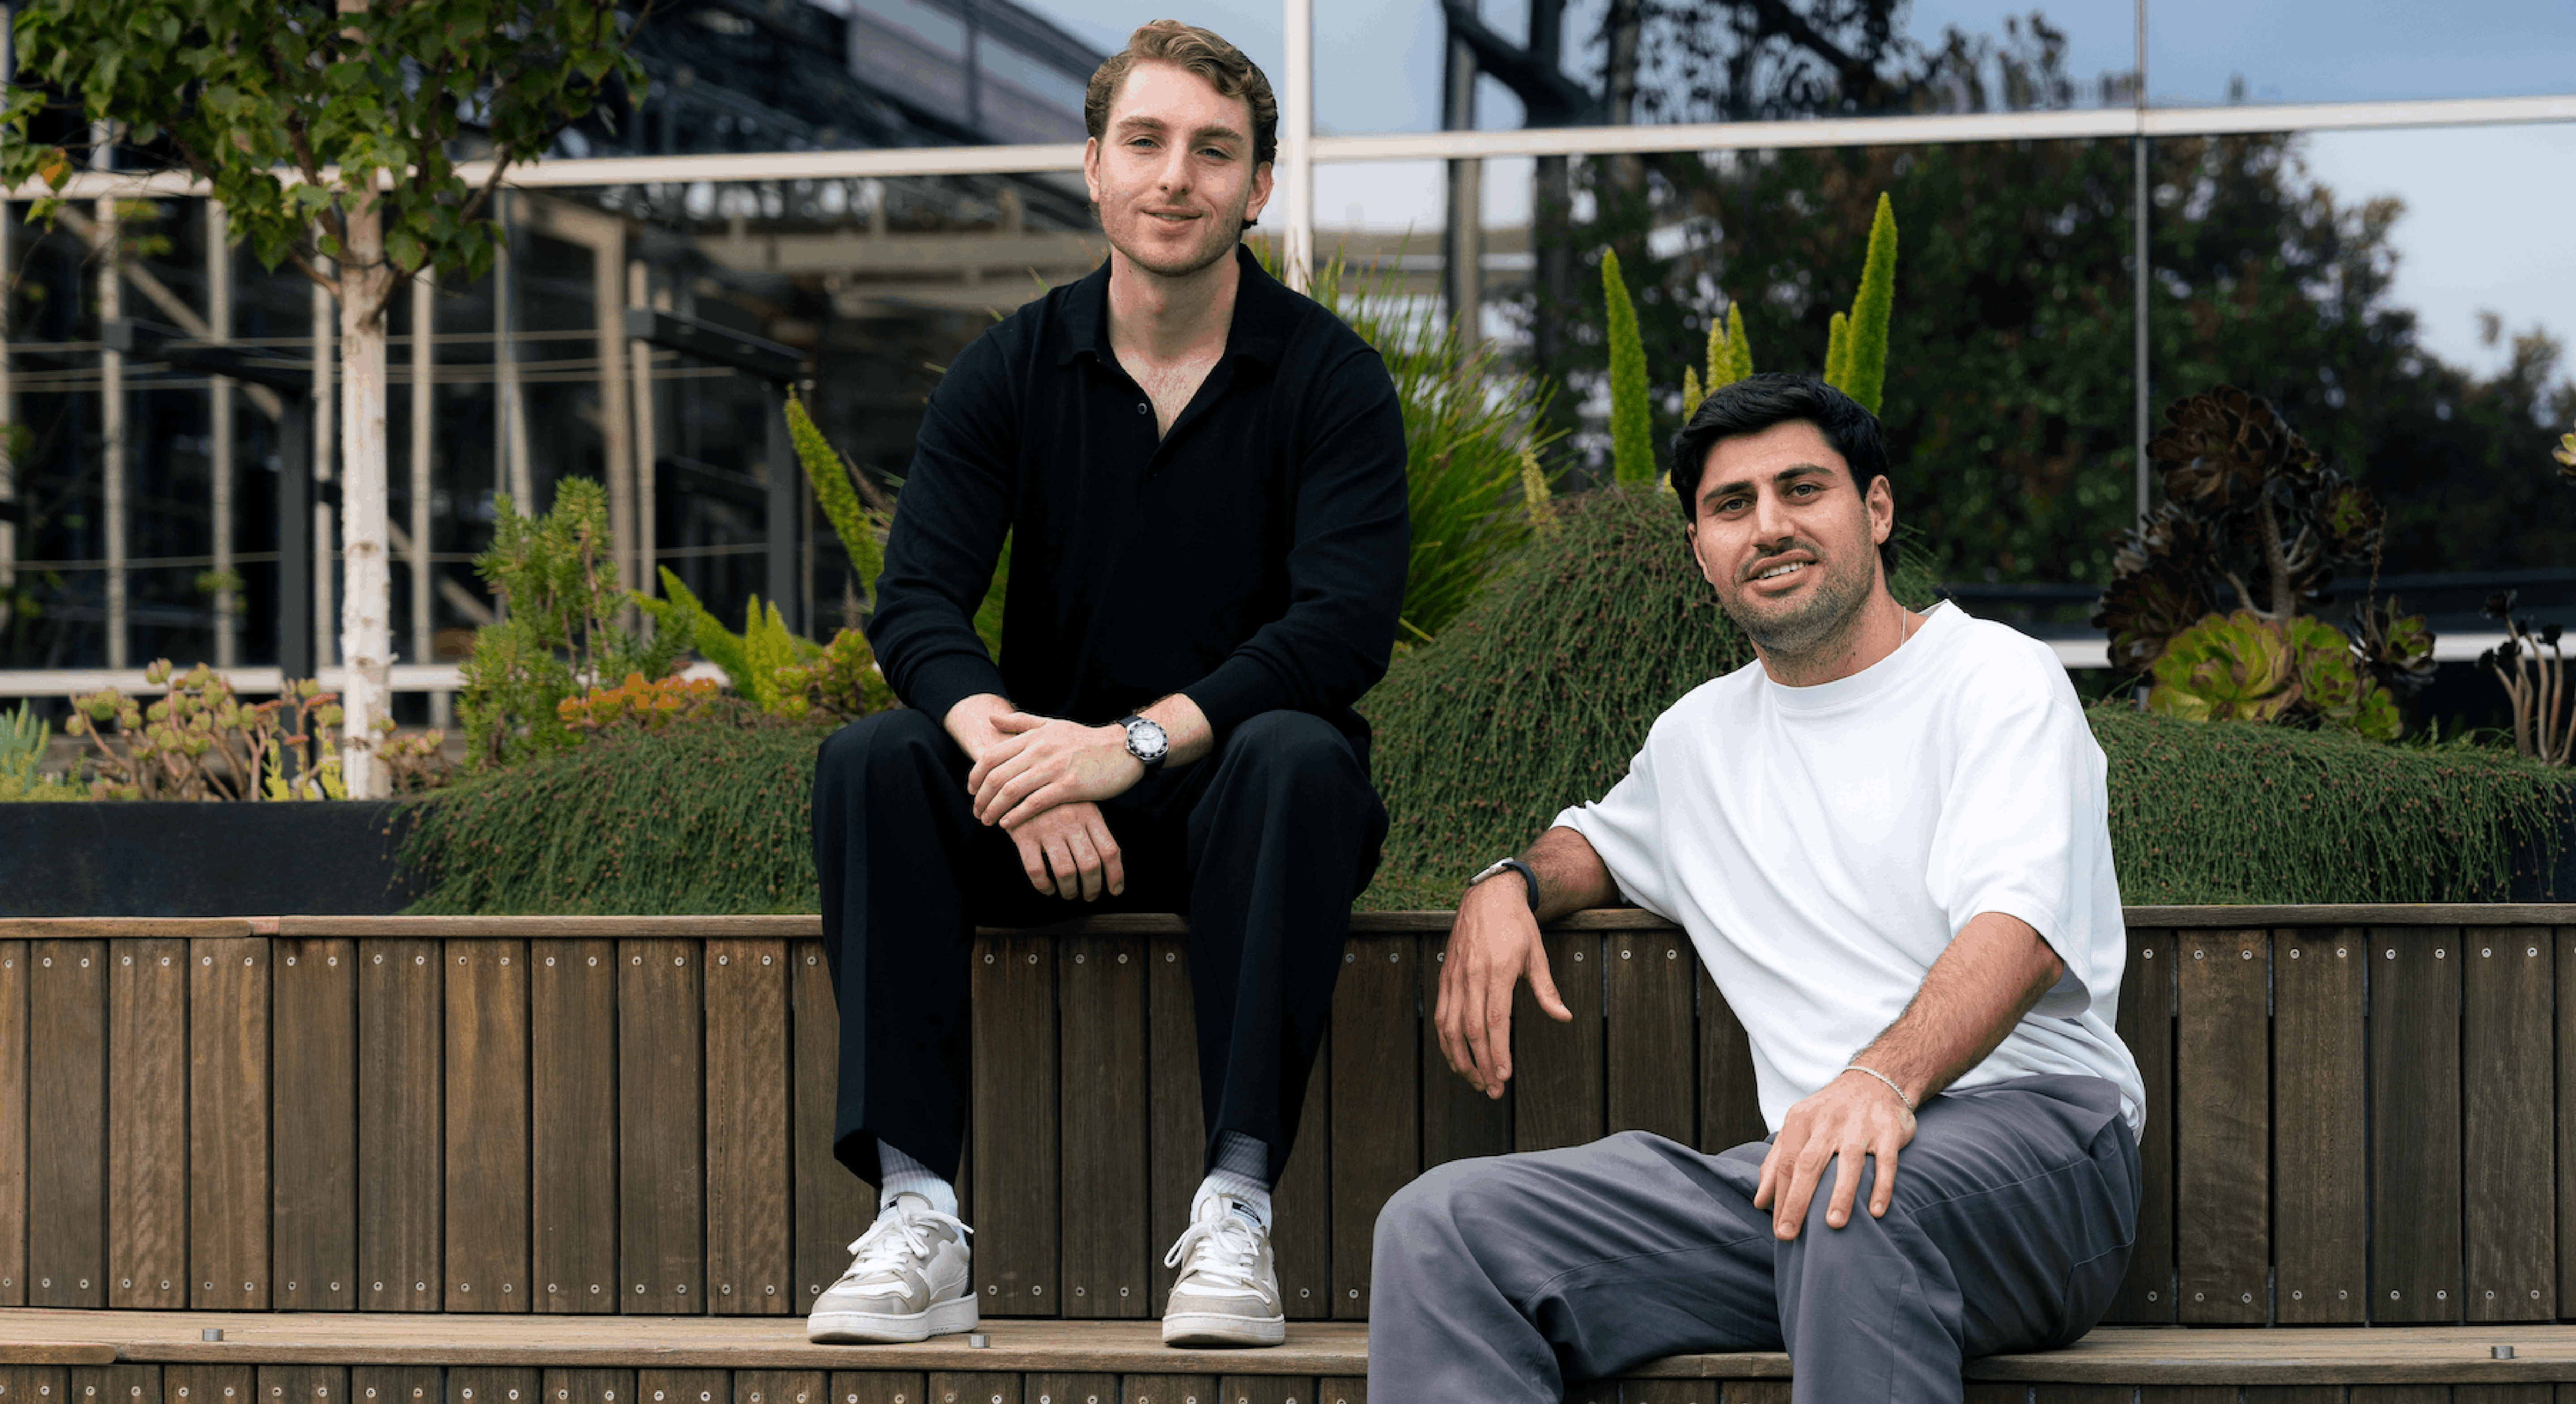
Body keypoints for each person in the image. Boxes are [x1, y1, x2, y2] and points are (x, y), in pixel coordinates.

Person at [804, 20, 1409, 1349]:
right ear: (1093, 166)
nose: (1174, 176)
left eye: (1214, 150)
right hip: (1046, 814)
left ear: (1258, 191)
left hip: (1238, 812)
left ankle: (1236, 1213)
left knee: (1303, 753)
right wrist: (1016, 766)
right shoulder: (1009, 369)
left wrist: (1128, 749)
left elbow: (1340, 627)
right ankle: (919, 1218)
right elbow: (914, 603)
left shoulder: (1331, 383)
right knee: (870, 761)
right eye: (1145, 142)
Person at [1367, 373, 2145, 1403]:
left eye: (1801, 490)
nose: (1768, 527)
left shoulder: (1993, 680)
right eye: (1732, 507)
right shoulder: (1699, 739)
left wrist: (1879, 1082)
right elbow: (1596, 845)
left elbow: (2021, 930)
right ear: (1701, 552)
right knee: (1444, 1230)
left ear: (1875, 510)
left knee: (1847, 1193)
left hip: (2041, 1153)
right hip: (1808, 1182)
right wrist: (1506, 884)